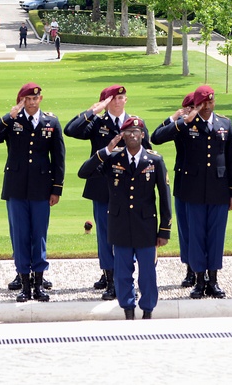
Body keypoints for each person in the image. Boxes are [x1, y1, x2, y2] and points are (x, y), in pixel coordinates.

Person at [151, 84, 232, 299]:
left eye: (210, 101)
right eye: (202, 103)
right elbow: (157, 137)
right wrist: (181, 120)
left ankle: (214, 280)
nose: (207, 106)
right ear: (196, 104)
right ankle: (199, 281)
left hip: (218, 190)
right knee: (196, 236)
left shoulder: (224, 123)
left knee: (216, 237)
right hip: (192, 190)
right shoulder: (185, 124)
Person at [65, 85, 152, 300]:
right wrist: (94, 111)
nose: (118, 101)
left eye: (121, 97)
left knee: (128, 235)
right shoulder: (98, 122)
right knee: (105, 236)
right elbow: (70, 130)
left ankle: (124, 276)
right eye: (112, 98)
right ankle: (110, 276)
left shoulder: (135, 124)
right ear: (105, 102)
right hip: (103, 188)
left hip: (129, 190)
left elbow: (148, 155)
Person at [79, 117, 170, 320]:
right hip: (119, 225)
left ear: (142, 135)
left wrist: (164, 230)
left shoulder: (154, 160)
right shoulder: (113, 159)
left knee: (147, 273)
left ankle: (147, 311)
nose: (132, 136)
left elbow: (165, 197)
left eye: (136, 132)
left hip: (146, 226)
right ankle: (128, 310)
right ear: (122, 136)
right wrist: (105, 150)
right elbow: (84, 172)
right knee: (122, 274)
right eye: (127, 132)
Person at [0, 83, 65, 303]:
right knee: (20, 236)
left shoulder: (51, 122)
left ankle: (38, 284)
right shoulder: (13, 121)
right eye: (27, 99)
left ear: (41, 99)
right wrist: (7, 117)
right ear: (21, 101)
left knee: (39, 236)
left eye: (35, 98)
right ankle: (24, 285)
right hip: (17, 188)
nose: (32, 102)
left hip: (41, 189)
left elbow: (58, 158)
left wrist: (57, 188)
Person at [157, 92, 198, 287]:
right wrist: (175, 119)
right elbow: (156, 137)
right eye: (187, 108)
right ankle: (190, 270)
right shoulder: (180, 126)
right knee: (186, 231)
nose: (191, 111)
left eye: (194, 107)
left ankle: (204, 270)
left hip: (204, 187)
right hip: (184, 184)